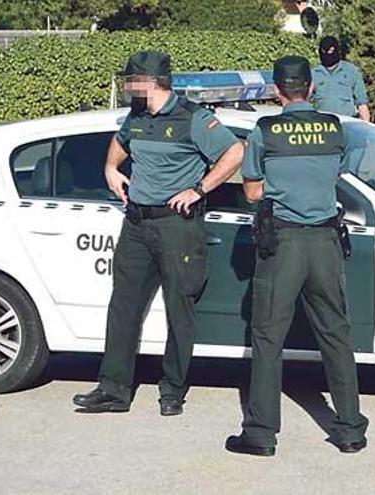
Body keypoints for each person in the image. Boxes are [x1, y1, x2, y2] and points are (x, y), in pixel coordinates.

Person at [73, 51, 244, 416]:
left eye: (130, 81)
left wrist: (199, 189)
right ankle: (113, 389)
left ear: (149, 83)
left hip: (176, 225)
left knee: (178, 309)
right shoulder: (136, 116)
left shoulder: (192, 118)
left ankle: (172, 390)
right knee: (123, 305)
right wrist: (109, 169)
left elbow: (234, 152)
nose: (125, 87)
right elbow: (119, 145)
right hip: (136, 223)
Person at [225, 55, 369, 457]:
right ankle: (350, 429)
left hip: (283, 244)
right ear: (311, 88)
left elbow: (252, 191)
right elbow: (338, 174)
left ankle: (260, 434)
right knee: (336, 336)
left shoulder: (265, 131)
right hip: (325, 243)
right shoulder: (334, 128)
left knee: (269, 338)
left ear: (277, 90)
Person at [312, 36, 371, 122]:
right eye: (325, 51)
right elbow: (303, 100)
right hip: (323, 126)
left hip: (346, 124)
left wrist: (366, 128)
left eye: (331, 51)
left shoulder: (351, 71)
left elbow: (362, 104)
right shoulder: (314, 73)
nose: (328, 54)